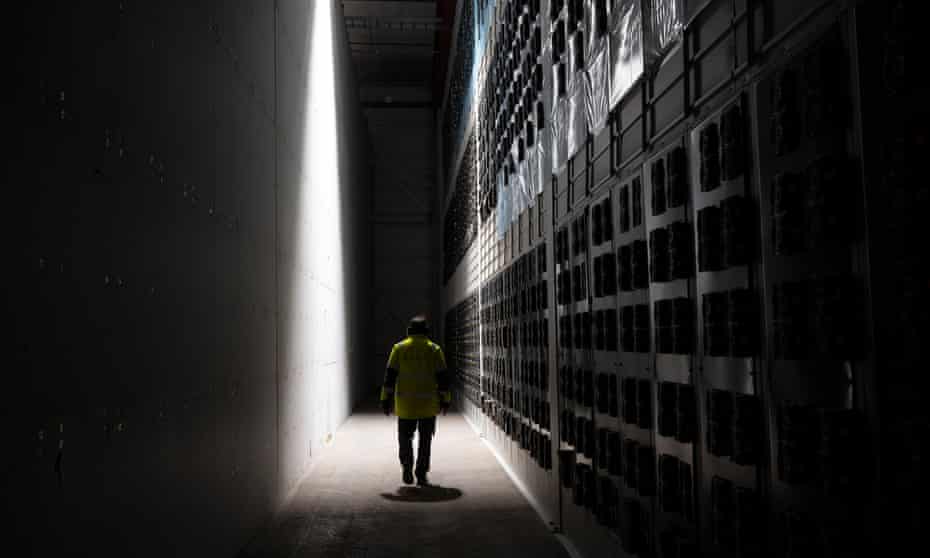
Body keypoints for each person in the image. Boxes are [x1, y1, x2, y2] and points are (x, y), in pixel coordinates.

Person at [380, 315, 451, 486]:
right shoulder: (434, 349)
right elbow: (443, 378)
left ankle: (406, 467)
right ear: (426, 331)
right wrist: (445, 400)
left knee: (405, 438)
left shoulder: (399, 348)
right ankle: (421, 473)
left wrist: (385, 399)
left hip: (405, 405)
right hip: (428, 405)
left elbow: (390, 377)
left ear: (409, 331)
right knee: (425, 441)